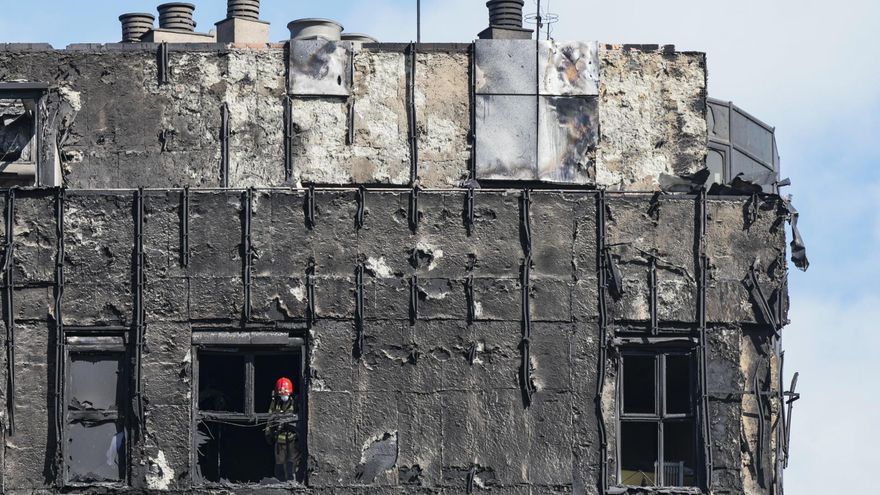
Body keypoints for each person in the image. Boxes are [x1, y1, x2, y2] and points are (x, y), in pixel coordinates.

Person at [264, 377, 300, 482]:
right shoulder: (275, 403)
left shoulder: (296, 403)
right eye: (281, 394)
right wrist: (268, 433)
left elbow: (299, 417)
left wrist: (288, 421)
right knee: (280, 465)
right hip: (280, 439)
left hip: (293, 438)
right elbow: (269, 419)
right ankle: (280, 484)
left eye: (285, 394)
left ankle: (293, 483)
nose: (283, 396)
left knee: (291, 464)